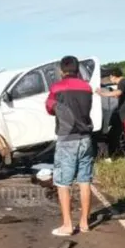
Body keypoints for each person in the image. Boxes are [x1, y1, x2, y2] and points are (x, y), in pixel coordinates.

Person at [45, 55, 95, 236]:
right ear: (77, 69)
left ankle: (67, 225)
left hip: (67, 139)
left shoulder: (57, 88)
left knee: (63, 183)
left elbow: (49, 108)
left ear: (61, 70)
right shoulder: (87, 87)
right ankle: (84, 222)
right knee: (84, 180)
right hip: (86, 138)